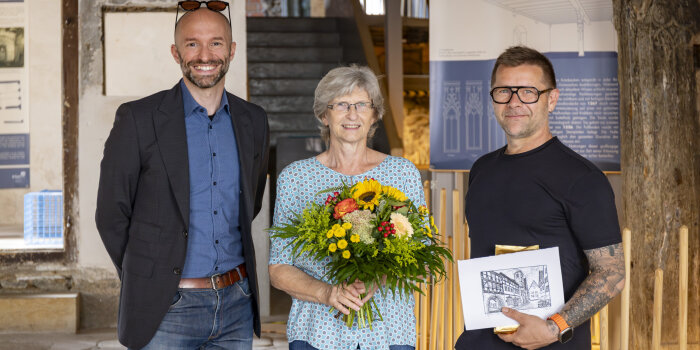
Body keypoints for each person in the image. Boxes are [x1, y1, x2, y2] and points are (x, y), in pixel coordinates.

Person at [95, 2, 269, 349]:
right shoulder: (138, 119)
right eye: (192, 43)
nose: (205, 54)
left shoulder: (253, 120)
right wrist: (146, 275)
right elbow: (111, 216)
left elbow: (250, 201)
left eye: (216, 43)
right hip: (167, 310)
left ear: (232, 50)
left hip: (236, 303)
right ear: (176, 52)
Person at [455, 46, 625, 350]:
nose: (514, 102)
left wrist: (553, 327)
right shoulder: (481, 169)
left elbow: (612, 272)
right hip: (478, 342)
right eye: (504, 91)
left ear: (552, 99)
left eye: (528, 92)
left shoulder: (583, 179)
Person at [269, 65, 419, 350]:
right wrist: (327, 293)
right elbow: (278, 268)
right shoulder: (295, 178)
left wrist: (375, 279)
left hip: (388, 332)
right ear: (324, 115)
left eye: (362, 104)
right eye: (341, 105)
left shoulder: (402, 173)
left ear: (374, 114)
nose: (352, 114)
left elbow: (417, 256)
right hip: (317, 331)